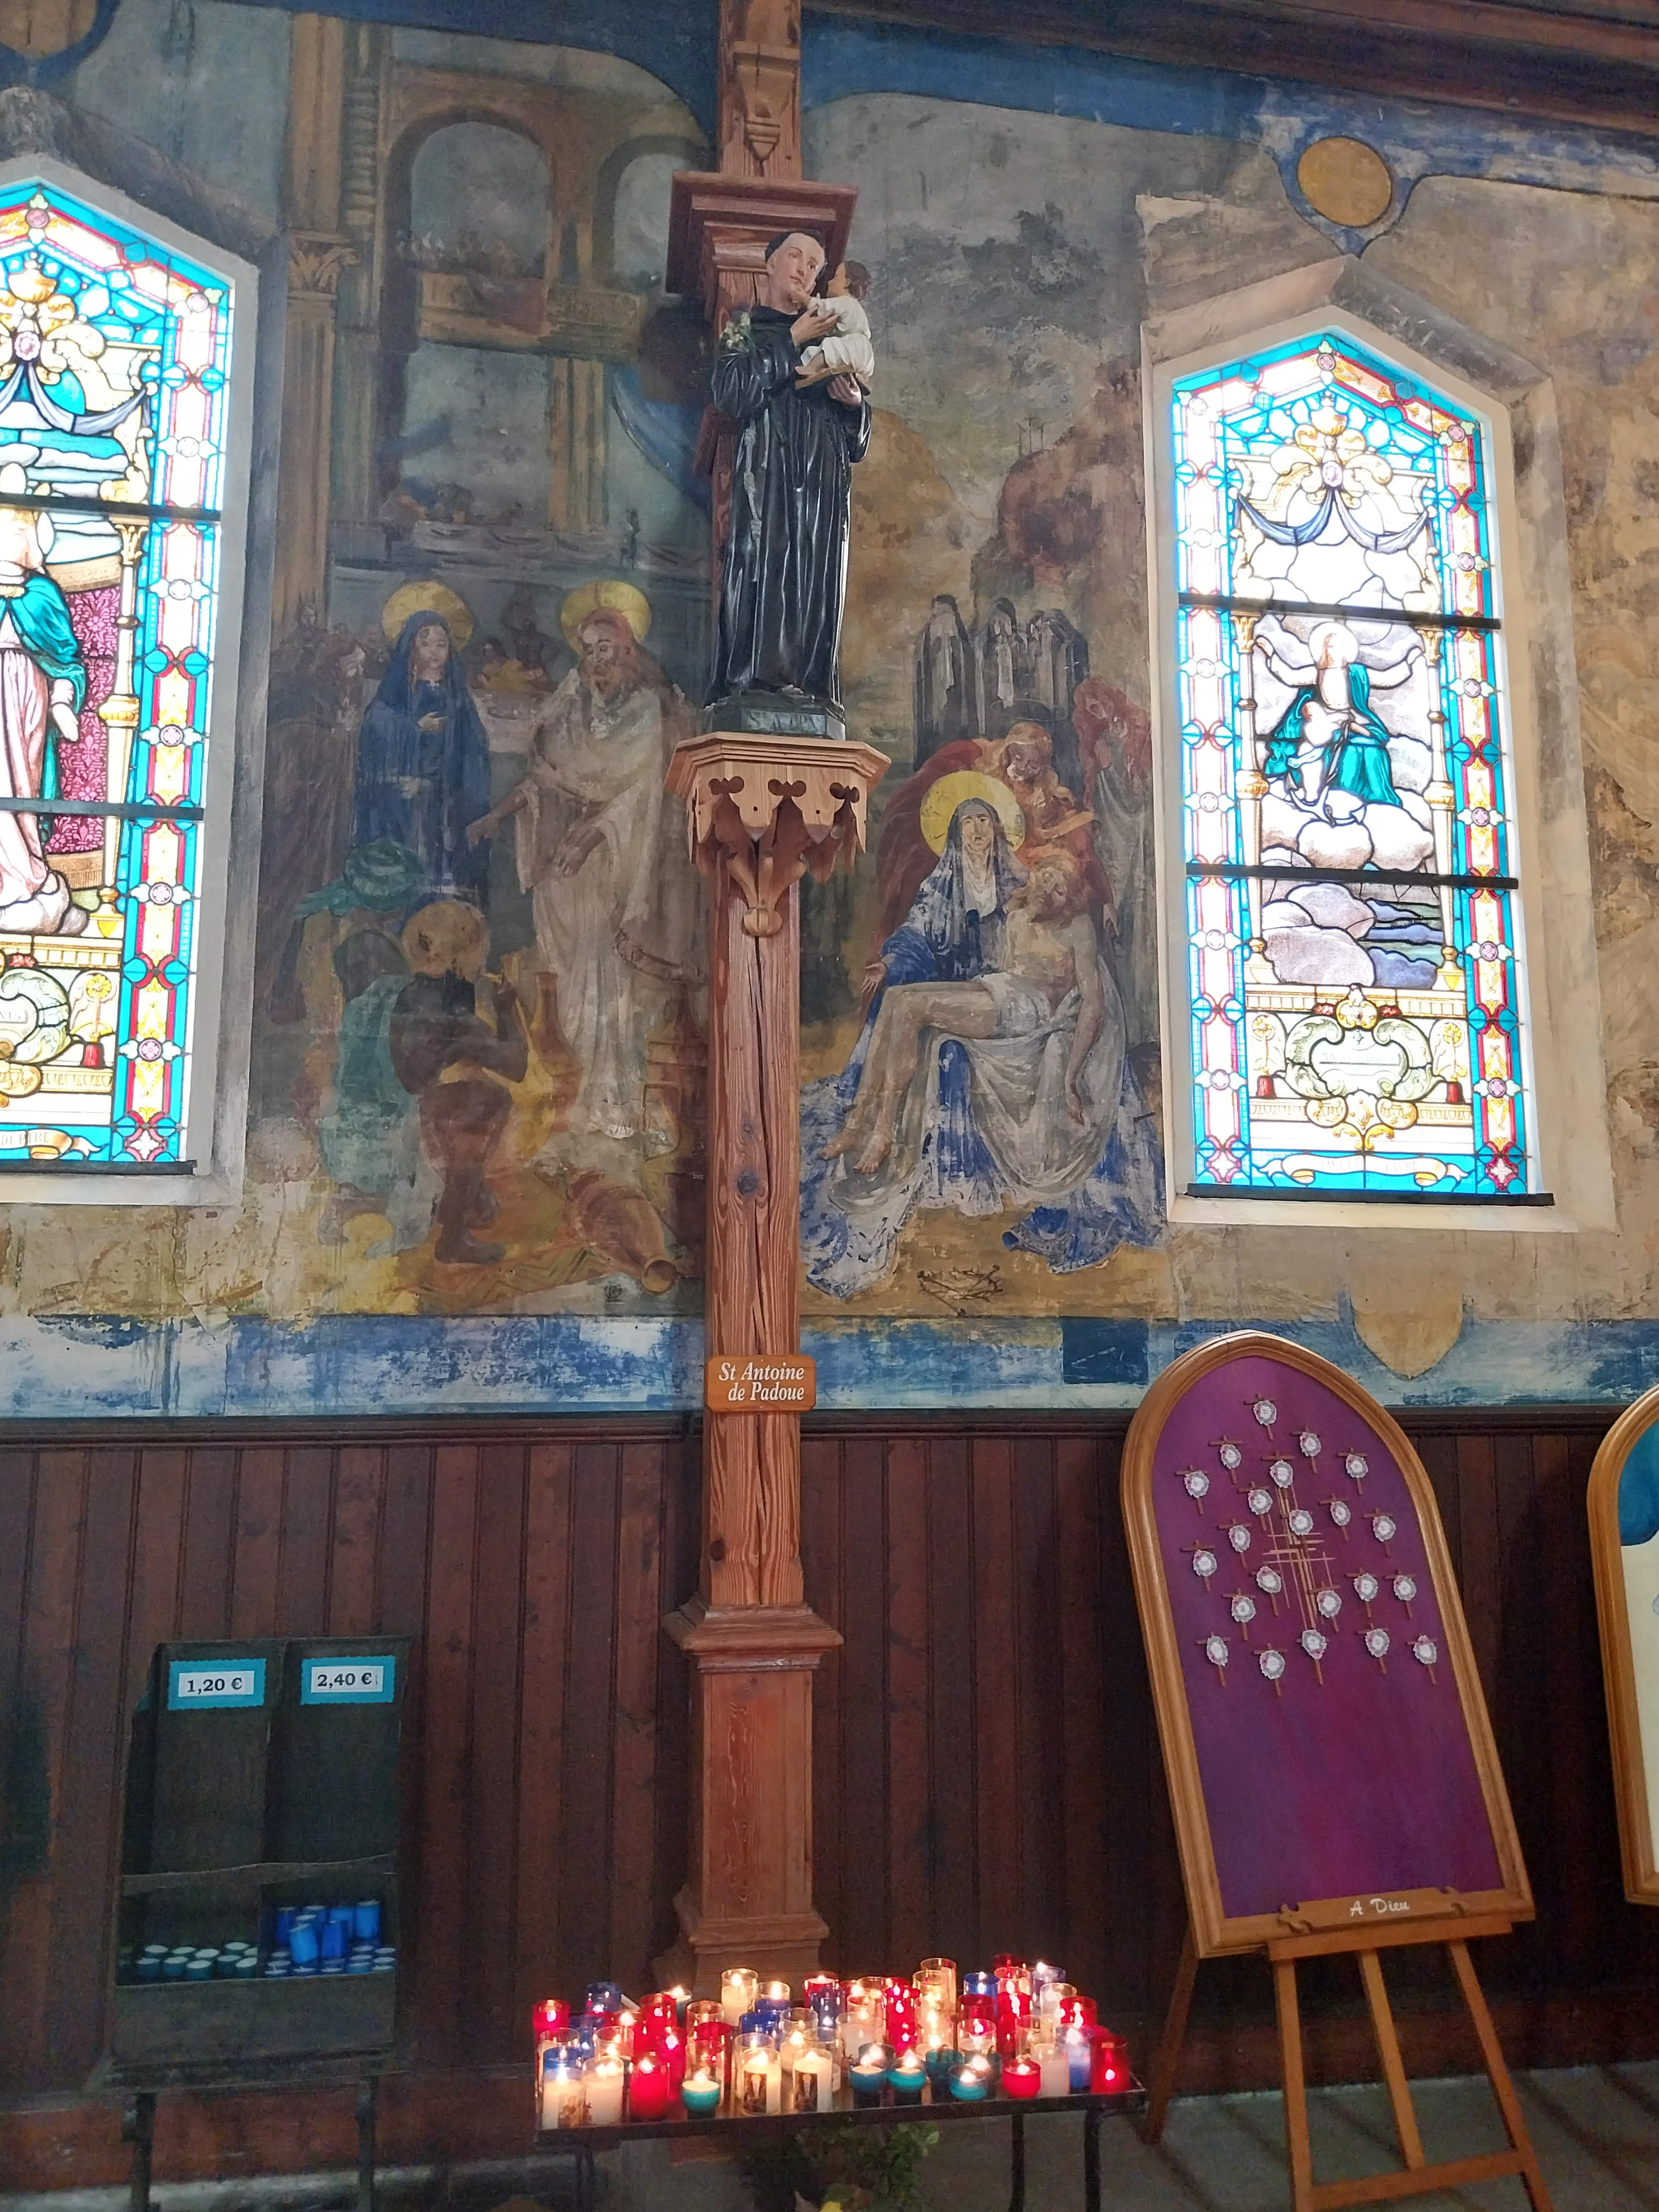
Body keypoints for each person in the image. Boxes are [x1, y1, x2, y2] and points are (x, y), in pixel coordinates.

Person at [800, 796, 1162, 1295]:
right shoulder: (1014, 908)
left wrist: (1071, 1073)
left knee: (911, 1007)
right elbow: (936, 934)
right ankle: (864, 1120)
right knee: (900, 1000)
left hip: (1021, 1010)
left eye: (984, 821)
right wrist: (892, 962)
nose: (1048, 886)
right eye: (967, 821)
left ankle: (876, 1130)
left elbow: (1092, 1002)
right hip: (999, 992)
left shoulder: (1069, 923)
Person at [466, 606, 698, 1147]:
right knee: (563, 978)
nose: (597, 661)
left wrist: (594, 836)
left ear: (628, 653)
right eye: (589, 650)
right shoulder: (570, 708)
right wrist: (496, 817)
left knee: (606, 971)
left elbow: (642, 794)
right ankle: (564, 1092)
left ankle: (608, 1092)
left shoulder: (645, 710)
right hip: (565, 864)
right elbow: (543, 778)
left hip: (615, 859)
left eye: (606, 649)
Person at [709, 230, 870, 708]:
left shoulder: (835, 336)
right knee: (765, 568)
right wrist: (794, 338)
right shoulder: (744, 329)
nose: (804, 268)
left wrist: (855, 406)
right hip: (767, 473)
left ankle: (812, 690)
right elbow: (732, 393)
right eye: (795, 256)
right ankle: (756, 687)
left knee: (818, 576)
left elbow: (858, 442)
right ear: (771, 264)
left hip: (823, 476)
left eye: (815, 264)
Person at [388, 901, 527, 1266]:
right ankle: (453, 1236)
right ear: (456, 961)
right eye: (478, 952)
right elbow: (516, 1066)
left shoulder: (411, 994)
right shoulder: (454, 1016)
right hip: (427, 1119)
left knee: (476, 1095)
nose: (483, 961)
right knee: (490, 1101)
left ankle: (473, 1194)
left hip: (408, 1102)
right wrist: (505, 1009)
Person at [352, 610, 492, 903]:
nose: (434, 652)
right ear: (411, 647)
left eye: (442, 644)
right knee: (404, 869)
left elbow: (473, 744)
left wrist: (445, 778)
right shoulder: (397, 690)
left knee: (438, 873)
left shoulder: (455, 694)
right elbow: (374, 726)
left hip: (443, 799)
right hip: (403, 799)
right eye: (425, 644)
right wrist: (414, 730)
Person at [0, 500, 88, 935]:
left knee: (20, 786)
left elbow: (65, 659)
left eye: (18, 530)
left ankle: (26, 878)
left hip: (26, 693)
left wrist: (62, 702)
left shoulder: (43, 595)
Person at [1258, 618, 1420, 821]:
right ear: (1324, 650)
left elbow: (1386, 679)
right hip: (1328, 719)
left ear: (1346, 649)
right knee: (1313, 748)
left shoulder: (1357, 673)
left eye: (1340, 646)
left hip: (1354, 717)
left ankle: (1374, 796)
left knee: (1373, 746)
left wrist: (1408, 663)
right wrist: (1271, 654)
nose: (1336, 650)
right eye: (1331, 646)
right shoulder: (1317, 673)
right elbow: (1291, 676)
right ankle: (1321, 792)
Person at [795, 260, 874, 391]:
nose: (829, 282)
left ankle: (812, 368)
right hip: (864, 354)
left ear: (847, 283)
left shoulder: (846, 302)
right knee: (817, 351)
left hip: (855, 346)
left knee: (830, 346)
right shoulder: (853, 306)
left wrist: (806, 300)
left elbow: (826, 309)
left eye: (836, 277)